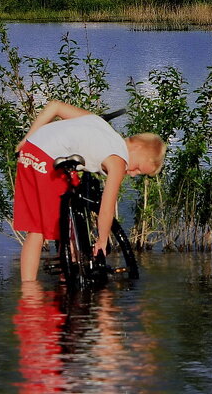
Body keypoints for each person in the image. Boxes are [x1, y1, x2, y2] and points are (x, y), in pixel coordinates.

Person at [14, 100, 166, 282]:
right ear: (137, 147)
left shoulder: (99, 124)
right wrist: (102, 240)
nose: (133, 174)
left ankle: (28, 287)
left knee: (36, 229)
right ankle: (66, 278)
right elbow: (107, 208)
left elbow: (55, 106)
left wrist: (26, 140)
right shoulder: (118, 160)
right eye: (139, 168)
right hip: (48, 159)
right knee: (56, 228)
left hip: (30, 152)